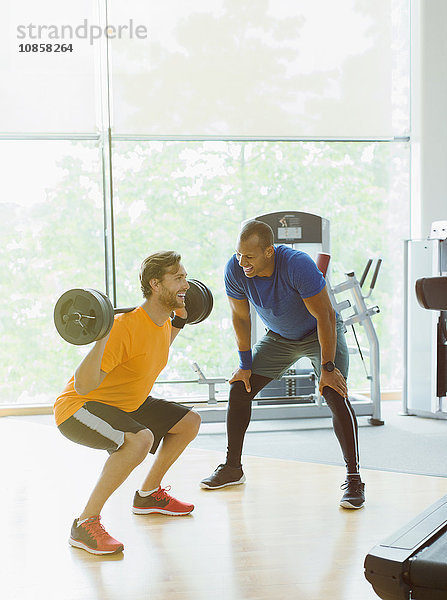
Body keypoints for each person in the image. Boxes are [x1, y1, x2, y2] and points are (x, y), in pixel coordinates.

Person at [200, 220, 365, 509]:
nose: (242, 262)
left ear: (269, 251)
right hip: (279, 338)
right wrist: (245, 363)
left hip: (319, 333)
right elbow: (240, 317)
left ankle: (354, 479)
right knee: (241, 387)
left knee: (334, 393)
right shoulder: (235, 270)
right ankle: (232, 468)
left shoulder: (296, 265)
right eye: (239, 254)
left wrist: (327, 368)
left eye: (249, 256)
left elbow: (324, 315)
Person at [54, 251, 201, 555]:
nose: (186, 283)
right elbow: (83, 385)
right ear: (155, 284)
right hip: (79, 408)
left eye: (185, 276)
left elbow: (151, 353)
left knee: (189, 422)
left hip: (124, 404)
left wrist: (180, 324)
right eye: (178, 278)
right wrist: (102, 336)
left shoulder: (160, 322)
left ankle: (148, 495)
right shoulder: (123, 327)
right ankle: (85, 523)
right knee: (138, 440)